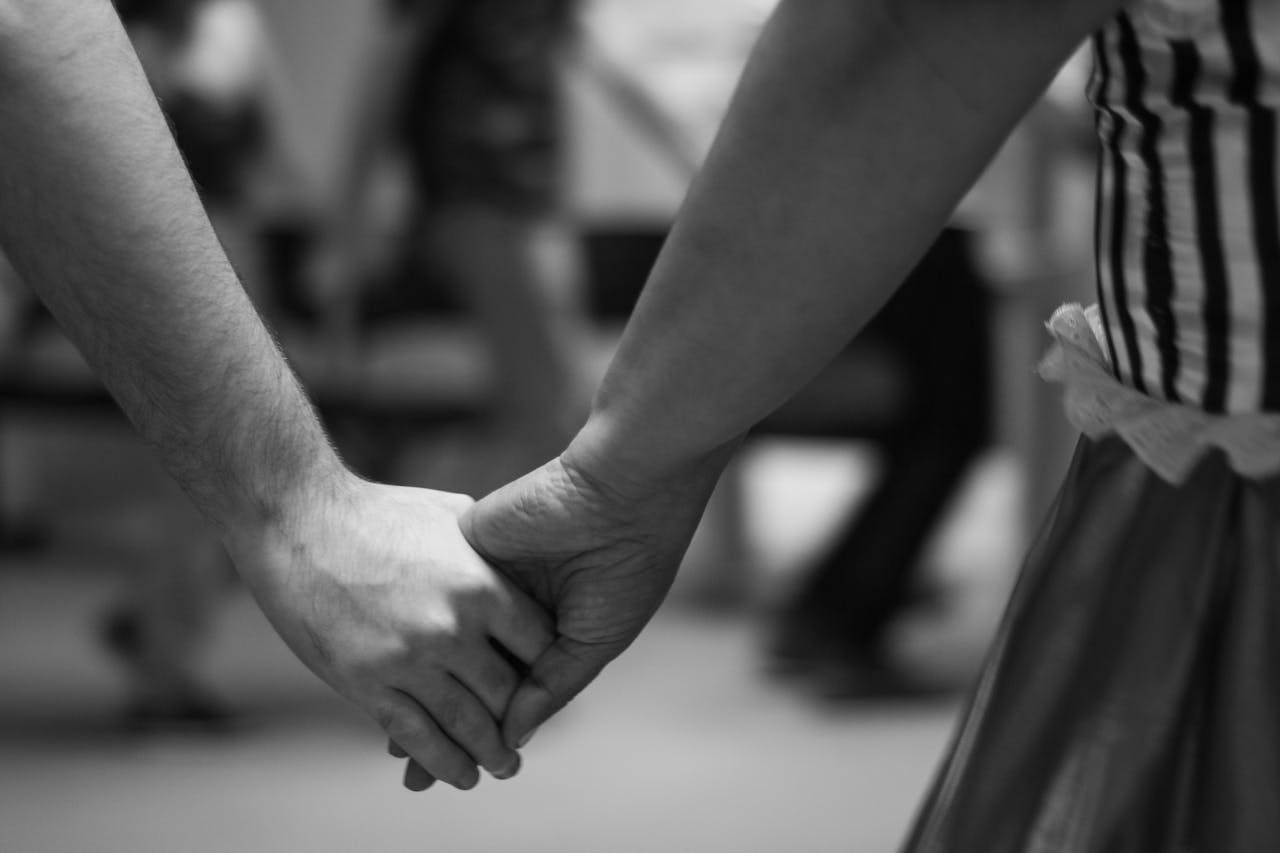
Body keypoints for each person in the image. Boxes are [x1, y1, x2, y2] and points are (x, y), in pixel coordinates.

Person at [442, 0, 1280, 843]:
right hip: (1216, 447)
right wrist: (619, 477)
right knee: (949, 412)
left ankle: (840, 612)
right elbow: (896, 42)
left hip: (1229, 474)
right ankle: (839, 613)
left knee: (951, 414)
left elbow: (897, 39)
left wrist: (619, 478)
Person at [0, 0, 554, 792]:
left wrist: (331, 249)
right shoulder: (118, 27)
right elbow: (48, 133)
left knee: (198, 484)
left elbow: (273, 158)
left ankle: (158, 632)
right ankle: (160, 648)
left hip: (228, 267)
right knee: (197, 479)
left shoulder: (233, 25)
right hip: (137, 285)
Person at [318, 0, 591, 495]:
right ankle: (433, 522)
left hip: (535, 206)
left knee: (554, 408)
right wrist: (347, 227)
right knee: (551, 414)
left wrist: (563, 211)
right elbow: (389, 68)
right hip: (474, 195)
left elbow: (550, 74)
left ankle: (432, 511)